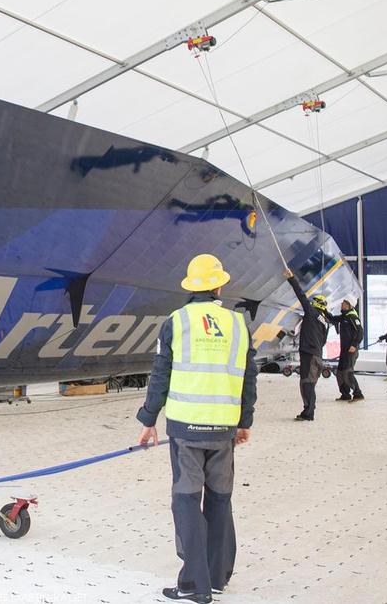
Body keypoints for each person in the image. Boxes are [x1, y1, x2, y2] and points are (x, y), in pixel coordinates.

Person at [138, 254, 257, 604]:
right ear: (219, 286)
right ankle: (218, 578)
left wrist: (148, 419)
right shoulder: (238, 324)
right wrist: (244, 421)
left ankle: (193, 584)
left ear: (191, 287)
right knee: (220, 500)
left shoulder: (176, 322)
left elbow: (160, 375)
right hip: (223, 430)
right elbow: (249, 378)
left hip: (186, 429)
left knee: (186, 501)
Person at [284, 269, 331, 421]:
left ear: (316, 304)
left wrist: (291, 278)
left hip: (309, 355)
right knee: (308, 383)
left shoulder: (312, 313)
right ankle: (308, 410)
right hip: (316, 354)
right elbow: (323, 340)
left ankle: (309, 413)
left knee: (307, 383)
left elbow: (301, 296)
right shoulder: (325, 321)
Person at [330, 300, 364, 402]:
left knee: (347, 372)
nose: (341, 305)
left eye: (343, 304)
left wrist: (354, 344)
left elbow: (360, 332)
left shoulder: (352, 317)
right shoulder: (344, 316)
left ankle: (358, 394)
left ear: (349, 305)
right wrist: (323, 311)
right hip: (344, 350)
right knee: (340, 372)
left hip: (351, 350)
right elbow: (333, 318)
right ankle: (345, 394)